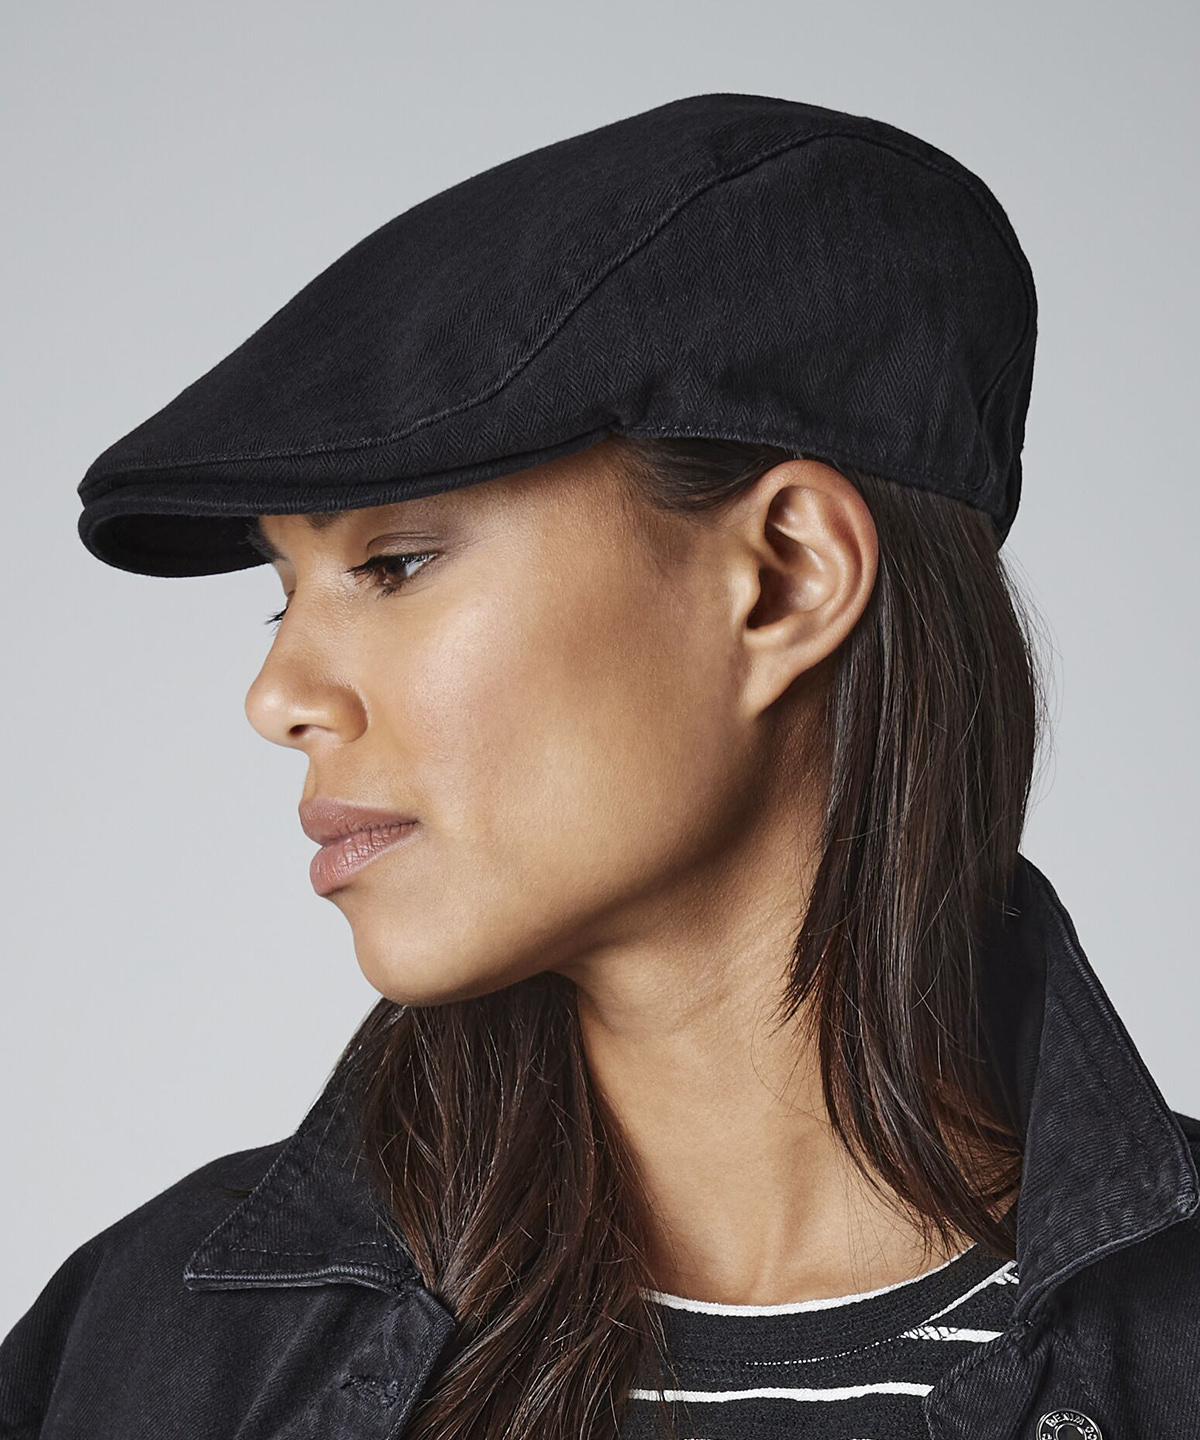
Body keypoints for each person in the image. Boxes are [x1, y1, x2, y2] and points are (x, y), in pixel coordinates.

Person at [3, 93, 1198, 1439]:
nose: (278, 697)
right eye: (280, 598)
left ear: (786, 578)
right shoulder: (148, 1346)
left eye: (395, 564)